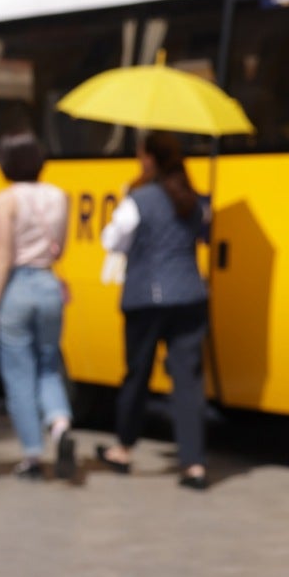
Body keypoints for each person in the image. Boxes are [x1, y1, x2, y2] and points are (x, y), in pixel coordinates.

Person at [97, 130, 212, 490]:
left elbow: (112, 240)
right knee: (187, 381)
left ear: (148, 158)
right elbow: (206, 231)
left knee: (137, 374)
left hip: (146, 297)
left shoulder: (139, 199)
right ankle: (194, 464)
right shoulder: (193, 200)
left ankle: (124, 448)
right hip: (190, 296)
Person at [0, 134, 74, 480]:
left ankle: (32, 456)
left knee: (19, 373)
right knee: (49, 363)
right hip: (49, 285)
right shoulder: (58, 196)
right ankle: (60, 424)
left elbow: (4, 255)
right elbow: (59, 249)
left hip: (18, 287)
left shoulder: (6, 199)